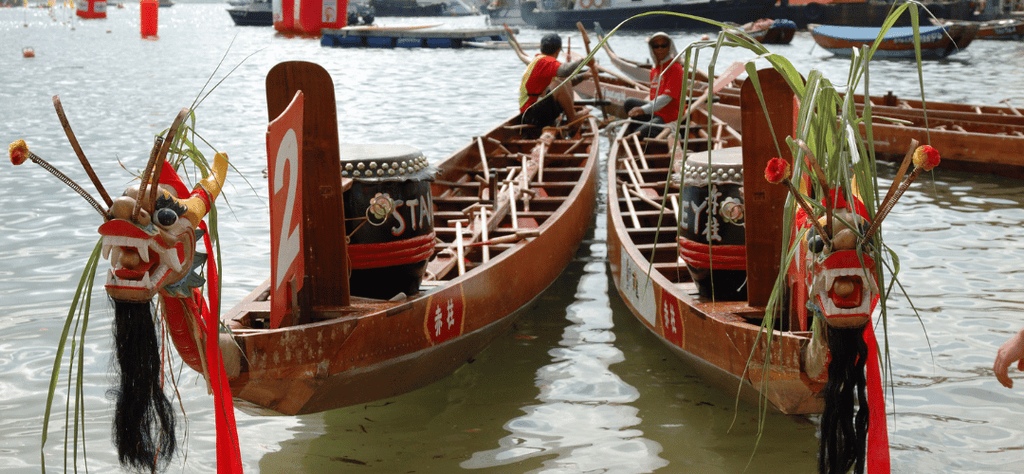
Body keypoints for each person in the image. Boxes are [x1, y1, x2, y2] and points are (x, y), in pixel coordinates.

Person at [624, 32, 684, 138]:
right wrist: (644, 109)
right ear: (652, 49)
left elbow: (667, 98)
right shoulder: (655, 69)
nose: (660, 49)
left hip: (670, 116)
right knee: (629, 103)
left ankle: (638, 133)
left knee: (637, 135)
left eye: (663, 45)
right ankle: (637, 129)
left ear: (669, 47)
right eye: (656, 46)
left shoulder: (675, 68)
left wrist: (643, 109)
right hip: (656, 111)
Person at [519, 33, 583, 127]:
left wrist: (585, 76)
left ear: (541, 47)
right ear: (558, 51)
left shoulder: (539, 60)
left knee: (564, 80)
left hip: (532, 113)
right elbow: (565, 70)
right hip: (530, 116)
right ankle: (572, 117)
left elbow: (566, 78)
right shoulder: (546, 61)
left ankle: (571, 113)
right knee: (558, 84)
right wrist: (583, 61)